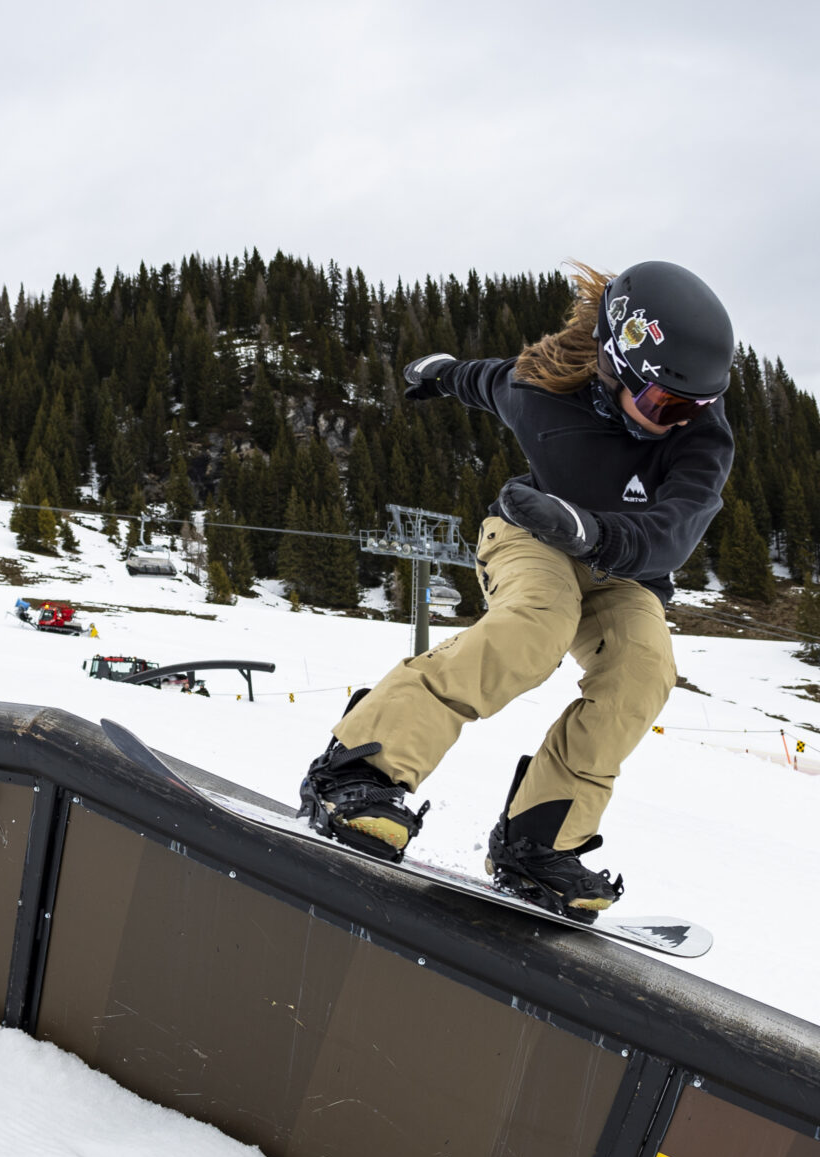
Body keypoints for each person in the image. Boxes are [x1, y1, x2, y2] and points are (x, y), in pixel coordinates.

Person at [298, 261, 737, 915]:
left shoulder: (701, 436)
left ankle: (539, 840)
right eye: (660, 404)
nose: (674, 421)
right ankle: (361, 768)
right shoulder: (542, 393)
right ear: (614, 363)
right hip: (534, 535)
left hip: (626, 566)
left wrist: (597, 532)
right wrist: (440, 374)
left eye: (691, 406)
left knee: (644, 671)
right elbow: (487, 380)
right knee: (536, 630)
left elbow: (676, 531)